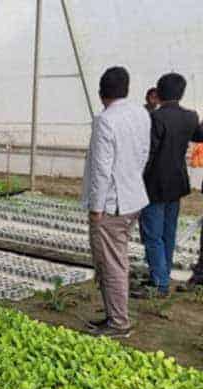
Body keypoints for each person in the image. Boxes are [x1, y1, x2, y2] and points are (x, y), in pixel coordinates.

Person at [81, 67, 150, 338]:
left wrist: (96, 208)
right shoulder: (140, 113)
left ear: (101, 93)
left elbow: (101, 168)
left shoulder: (105, 120)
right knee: (114, 260)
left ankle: (119, 323)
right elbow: (144, 153)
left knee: (111, 263)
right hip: (133, 197)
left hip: (112, 204)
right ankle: (112, 315)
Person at [134, 73, 203, 299]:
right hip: (177, 182)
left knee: (152, 233)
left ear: (158, 93)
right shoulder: (190, 117)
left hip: (154, 183)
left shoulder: (155, 118)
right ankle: (162, 273)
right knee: (168, 232)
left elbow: (148, 153)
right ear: (181, 93)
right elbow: (198, 136)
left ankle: (159, 282)